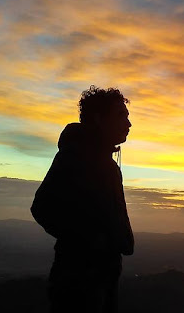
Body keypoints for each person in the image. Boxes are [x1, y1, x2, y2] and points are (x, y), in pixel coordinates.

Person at [31, 86, 134, 312]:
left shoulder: (104, 162)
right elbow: (42, 207)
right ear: (99, 118)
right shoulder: (77, 155)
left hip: (101, 278)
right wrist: (91, 241)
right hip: (78, 283)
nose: (128, 123)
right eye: (121, 115)